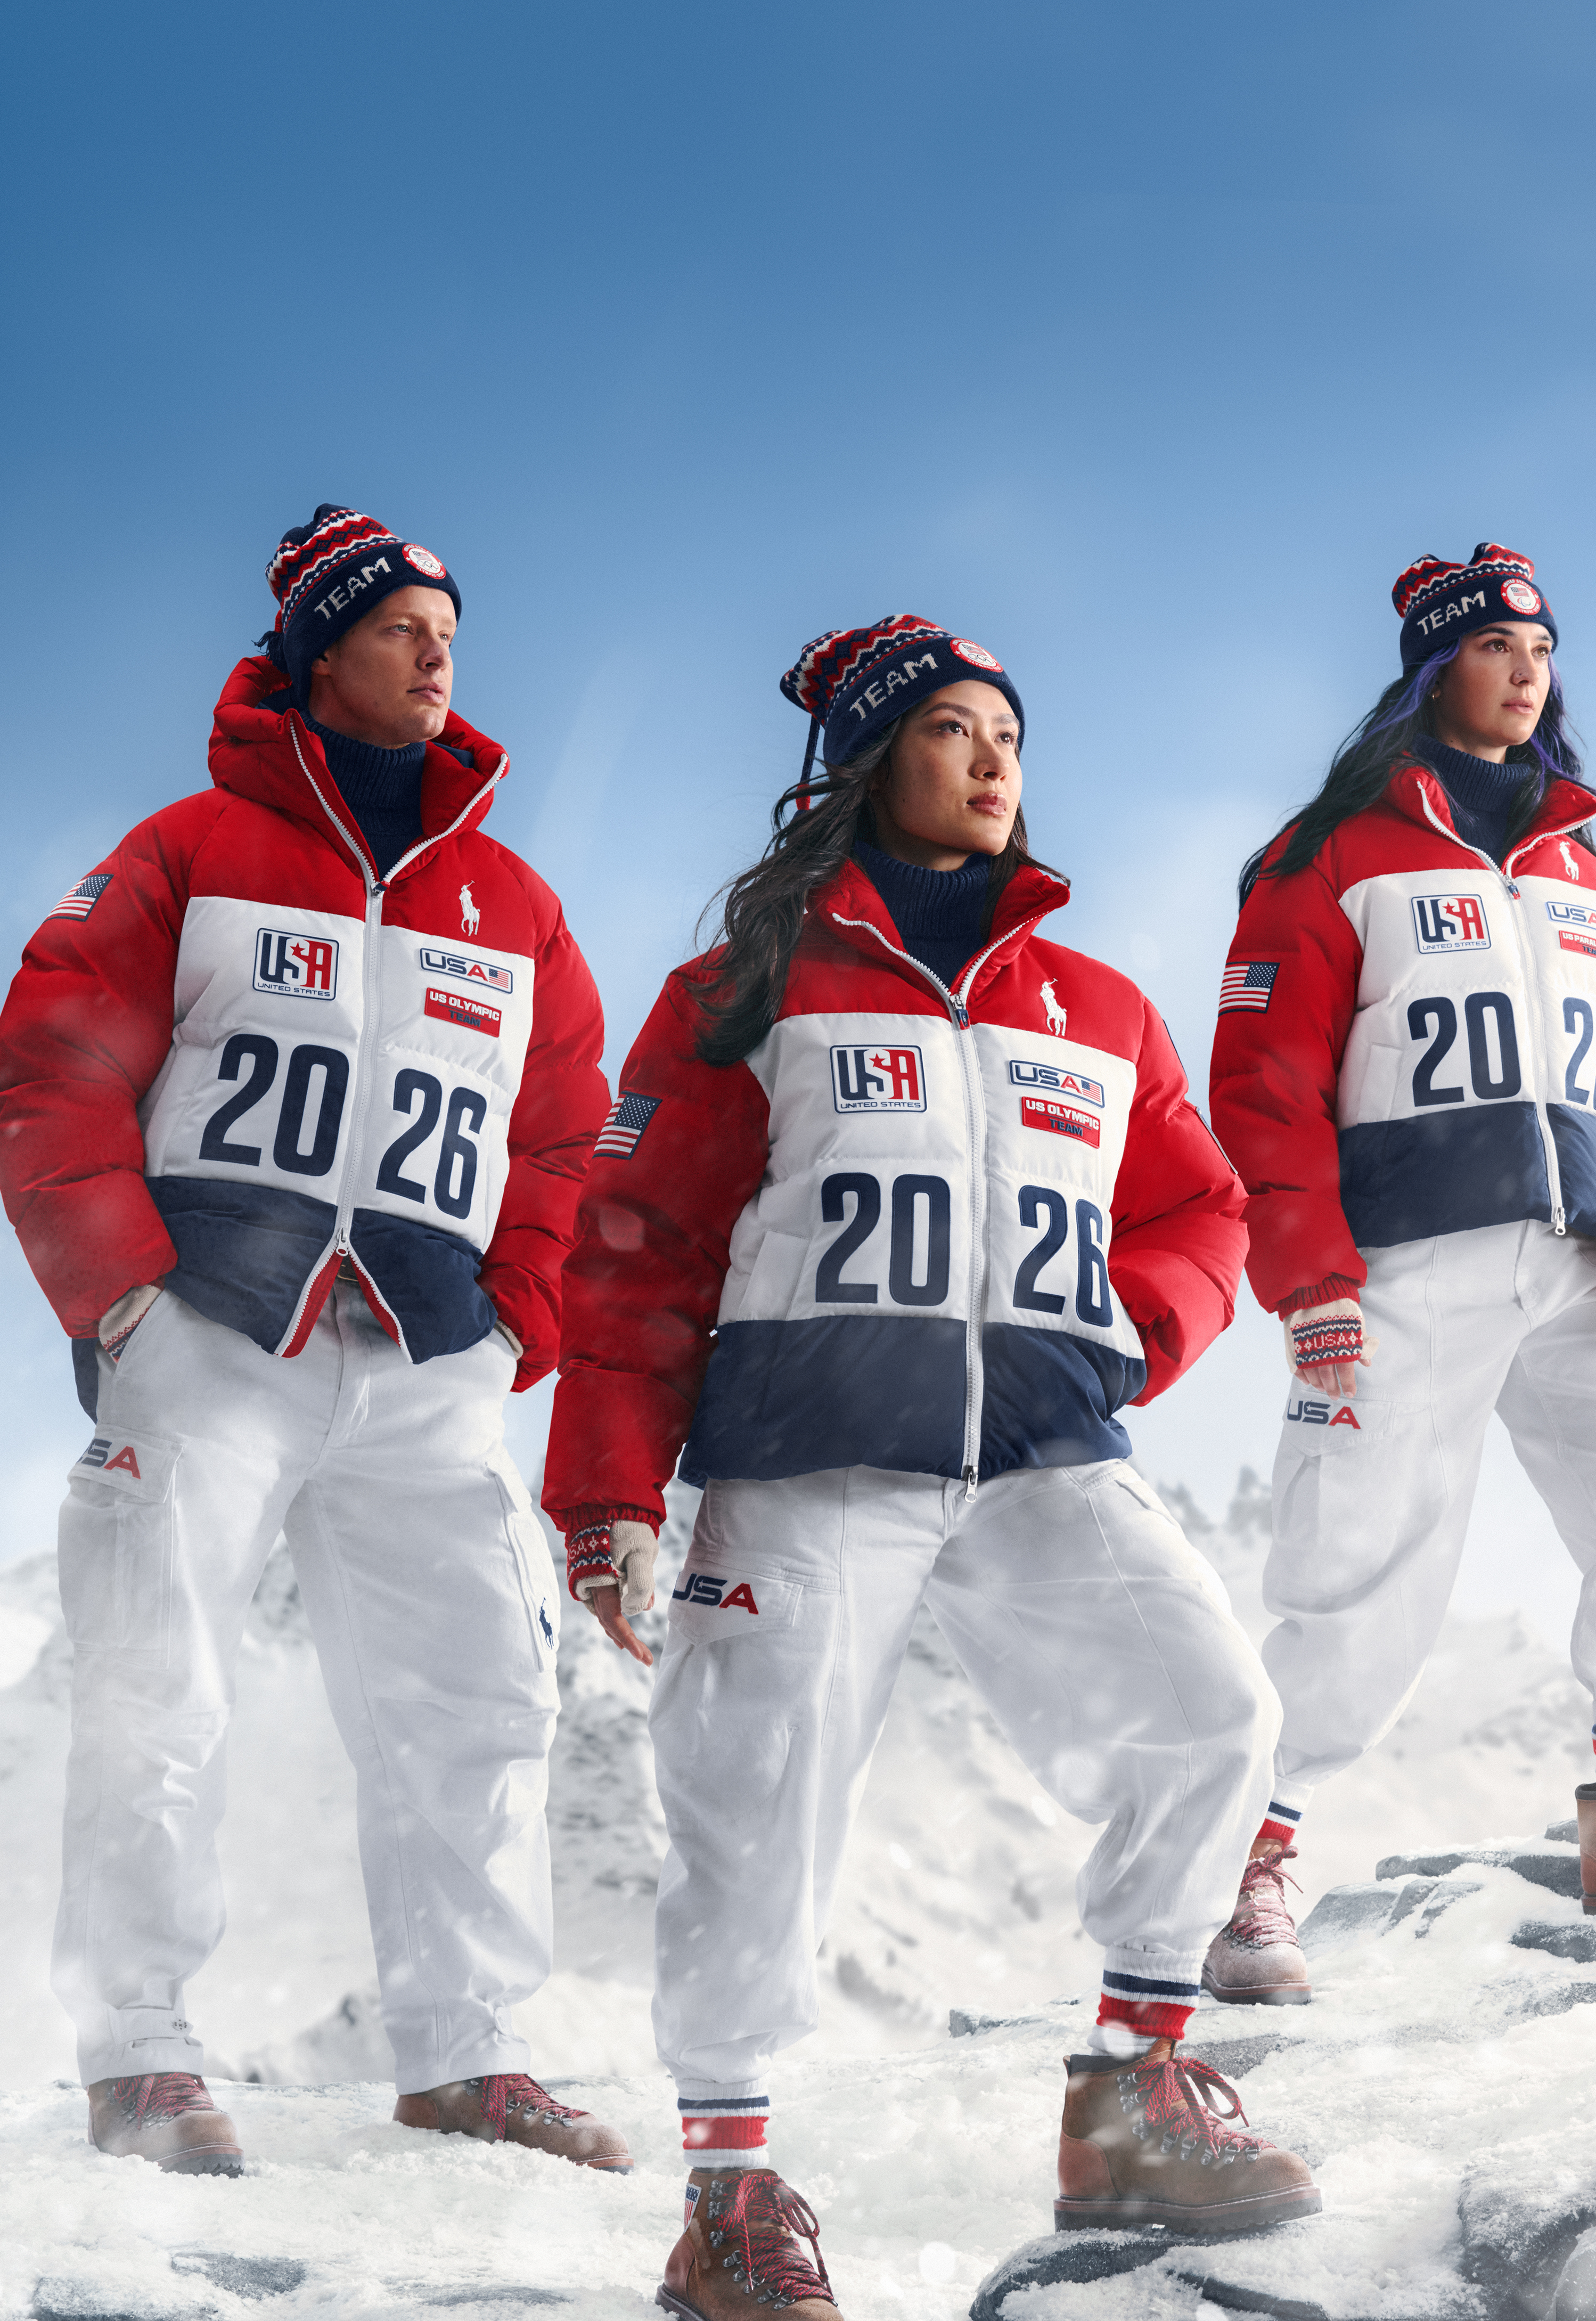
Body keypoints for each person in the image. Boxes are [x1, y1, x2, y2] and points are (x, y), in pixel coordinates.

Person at [545, 617, 1317, 2321]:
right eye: (950, 731)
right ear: (864, 765)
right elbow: (636, 1245)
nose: (989, 762)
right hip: (811, 1461)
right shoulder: (748, 992)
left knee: (1214, 1713)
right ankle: (731, 2198)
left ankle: (1132, 2093)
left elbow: (1200, 1208)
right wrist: (606, 1491)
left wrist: (1129, 1338)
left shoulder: (1099, 1007)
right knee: (755, 1811)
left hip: (1043, 1451)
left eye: (1008, 737)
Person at [0, 506, 619, 2173]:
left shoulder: (518, 906)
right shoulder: (188, 848)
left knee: (481, 1695)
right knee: (156, 1678)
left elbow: (564, 1134)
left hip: (426, 1362)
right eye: (402, 625)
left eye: (450, 633)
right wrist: (121, 1296)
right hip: (212, 1335)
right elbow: (52, 1061)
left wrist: (516, 1322)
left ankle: (470, 2055)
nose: (436, 655)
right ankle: (138, 2054)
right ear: (317, 649)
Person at [1202, 544, 1596, 2009]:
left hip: (1575, 1264)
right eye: (1496, 642)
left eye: (1542, 644)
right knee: (1357, 1572)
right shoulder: (1331, 856)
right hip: (1398, 1269)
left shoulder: (1586, 878)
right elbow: (1263, 1083)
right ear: (1433, 665)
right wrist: (1309, 1272)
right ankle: (1240, 1869)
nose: (1526, 666)